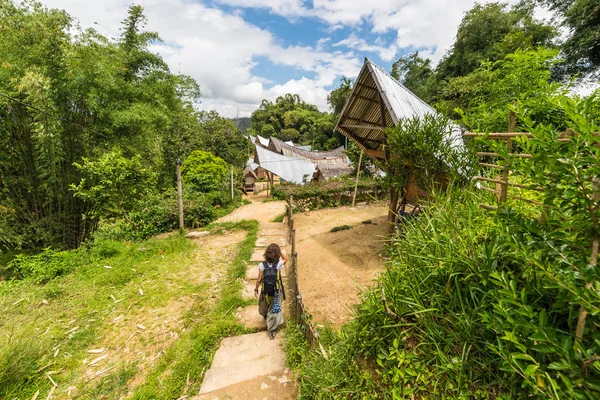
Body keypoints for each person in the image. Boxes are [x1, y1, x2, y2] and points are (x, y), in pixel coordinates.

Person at [254, 243, 287, 339]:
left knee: (263, 304)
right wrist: (280, 252)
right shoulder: (279, 264)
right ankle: (272, 330)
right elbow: (286, 259)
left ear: (266, 253)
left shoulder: (262, 265)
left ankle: (264, 315)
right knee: (274, 309)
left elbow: (259, 279)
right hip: (276, 292)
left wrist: (256, 289)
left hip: (265, 291)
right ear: (277, 254)